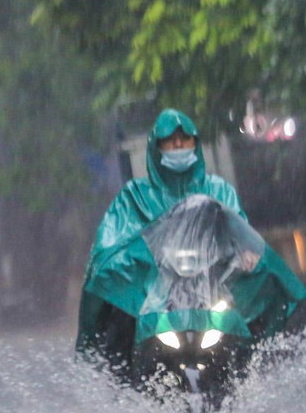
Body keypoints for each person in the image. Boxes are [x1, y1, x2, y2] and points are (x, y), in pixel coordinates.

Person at [77, 109, 258, 370]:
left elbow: (240, 230)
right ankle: (115, 380)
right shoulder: (134, 197)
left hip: (210, 289)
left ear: (195, 145)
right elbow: (109, 244)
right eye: (170, 140)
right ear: (156, 147)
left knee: (245, 329)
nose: (177, 145)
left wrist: (247, 253)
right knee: (119, 328)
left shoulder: (218, 191)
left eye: (184, 140)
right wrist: (120, 261)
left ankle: (253, 382)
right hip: (154, 294)